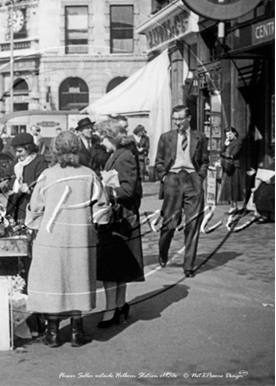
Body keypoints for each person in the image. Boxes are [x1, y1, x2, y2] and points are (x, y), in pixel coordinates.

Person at [25, 131, 111, 347]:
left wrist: (35, 226)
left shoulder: (46, 175)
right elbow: (102, 207)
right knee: (78, 278)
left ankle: (52, 333)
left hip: (51, 236)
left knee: (53, 281)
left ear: (55, 150)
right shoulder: (89, 174)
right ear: (77, 149)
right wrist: (94, 225)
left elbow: (35, 208)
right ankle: (76, 331)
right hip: (80, 235)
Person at [95, 119, 144, 328]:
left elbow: (127, 190)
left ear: (111, 136)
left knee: (110, 268)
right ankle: (120, 305)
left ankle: (110, 310)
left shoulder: (124, 157)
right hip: (119, 216)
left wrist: (105, 189)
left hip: (119, 217)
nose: (102, 143)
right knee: (119, 266)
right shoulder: (118, 155)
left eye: (103, 138)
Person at [155, 105, 209, 278]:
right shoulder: (166, 137)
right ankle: (163, 251)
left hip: (193, 180)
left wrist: (200, 177)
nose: (177, 122)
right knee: (169, 224)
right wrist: (164, 177)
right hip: (173, 179)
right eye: (175, 119)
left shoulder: (200, 137)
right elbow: (159, 161)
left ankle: (189, 265)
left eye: (180, 119)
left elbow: (205, 161)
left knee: (193, 224)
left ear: (189, 118)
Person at [6, 132, 48, 223]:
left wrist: (27, 187)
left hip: (30, 206)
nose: (17, 154)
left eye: (20, 151)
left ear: (29, 149)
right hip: (15, 206)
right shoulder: (16, 163)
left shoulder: (40, 161)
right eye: (16, 151)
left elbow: (42, 183)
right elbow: (9, 178)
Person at [218, 127, 244, 214]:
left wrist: (224, 154)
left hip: (235, 166)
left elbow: (233, 155)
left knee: (235, 187)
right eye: (227, 135)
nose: (228, 136)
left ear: (234, 133)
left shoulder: (239, 142)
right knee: (229, 187)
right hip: (228, 166)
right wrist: (225, 145)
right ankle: (233, 206)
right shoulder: (229, 142)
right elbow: (221, 152)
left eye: (230, 134)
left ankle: (235, 206)